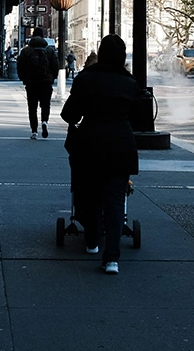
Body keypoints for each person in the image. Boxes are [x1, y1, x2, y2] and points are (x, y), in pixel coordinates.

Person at [60, 34, 141, 275]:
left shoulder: (85, 79)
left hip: (90, 144)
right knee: (115, 202)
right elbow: (137, 119)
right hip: (120, 145)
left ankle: (92, 241)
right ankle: (112, 258)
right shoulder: (130, 83)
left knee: (91, 195)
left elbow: (69, 115)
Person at [17, 28, 59, 139]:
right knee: (45, 105)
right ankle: (44, 121)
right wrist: (52, 78)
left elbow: (20, 66)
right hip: (46, 82)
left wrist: (23, 78)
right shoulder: (49, 50)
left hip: (31, 82)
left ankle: (34, 131)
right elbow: (56, 66)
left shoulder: (26, 51)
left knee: (32, 107)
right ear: (43, 36)